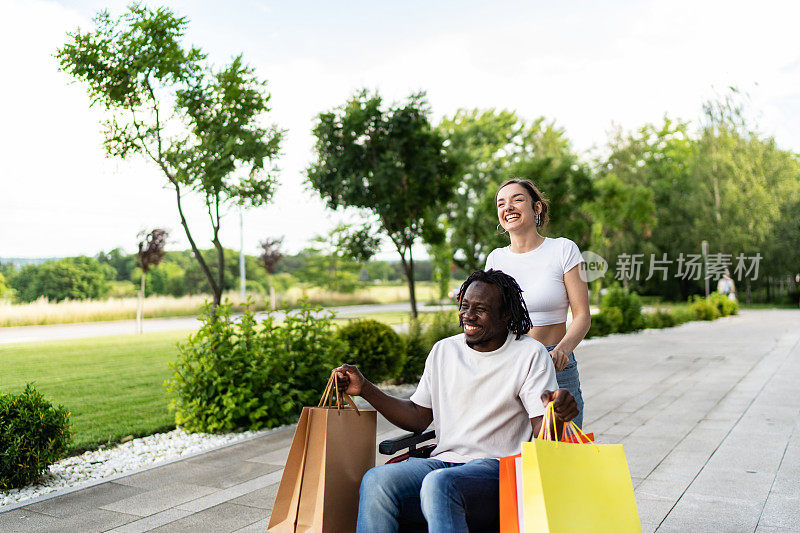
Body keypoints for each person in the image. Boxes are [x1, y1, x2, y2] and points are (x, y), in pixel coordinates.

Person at [335, 269, 578, 533]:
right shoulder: (444, 350)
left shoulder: (529, 354)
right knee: (377, 480)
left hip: (498, 469)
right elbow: (417, 417)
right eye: (464, 306)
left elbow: (543, 433)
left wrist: (557, 413)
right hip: (442, 462)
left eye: (481, 309)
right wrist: (367, 389)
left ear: (505, 314)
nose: (468, 315)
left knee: (440, 484)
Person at [486, 178, 591, 428]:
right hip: (510, 364)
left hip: (554, 362)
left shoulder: (563, 250)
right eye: (501, 203)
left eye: (517, 199)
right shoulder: (495, 258)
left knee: (562, 452)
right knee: (512, 452)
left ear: (537, 208)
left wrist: (562, 350)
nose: (508, 207)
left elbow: (582, 316)